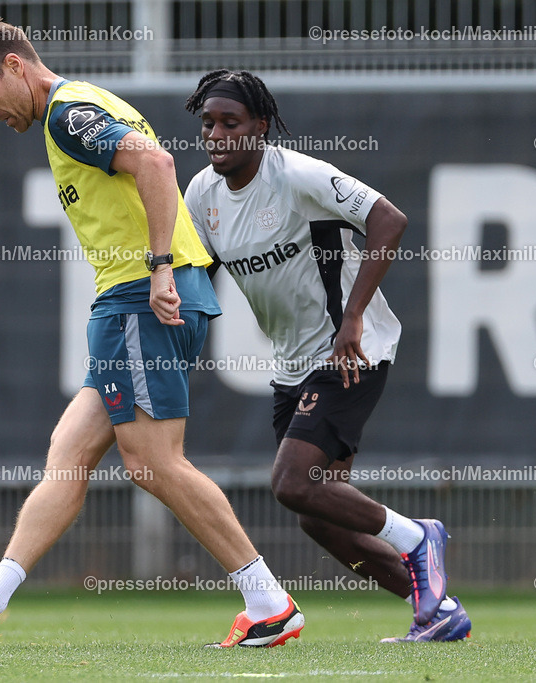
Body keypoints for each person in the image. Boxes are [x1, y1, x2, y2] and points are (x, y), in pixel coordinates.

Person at [0, 20, 303, 648]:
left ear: (14, 65)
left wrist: (160, 268)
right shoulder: (83, 102)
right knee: (68, 457)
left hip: (143, 299)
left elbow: (157, 163)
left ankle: (269, 601)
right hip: (139, 300)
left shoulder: (64, 114)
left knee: (152, 464)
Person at [182, 69, 470, 643]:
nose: (215, 134)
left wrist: (355, 315)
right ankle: (438, 611)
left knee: (291, 483)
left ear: (259, 128)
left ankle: (419, 536)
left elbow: (389, 221)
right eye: (208, 123)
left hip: (350, 352)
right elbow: (201, 276)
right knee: (318, 511)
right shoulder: (202, 195)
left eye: (229, 123)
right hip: (293, 365)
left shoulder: (298, 176)